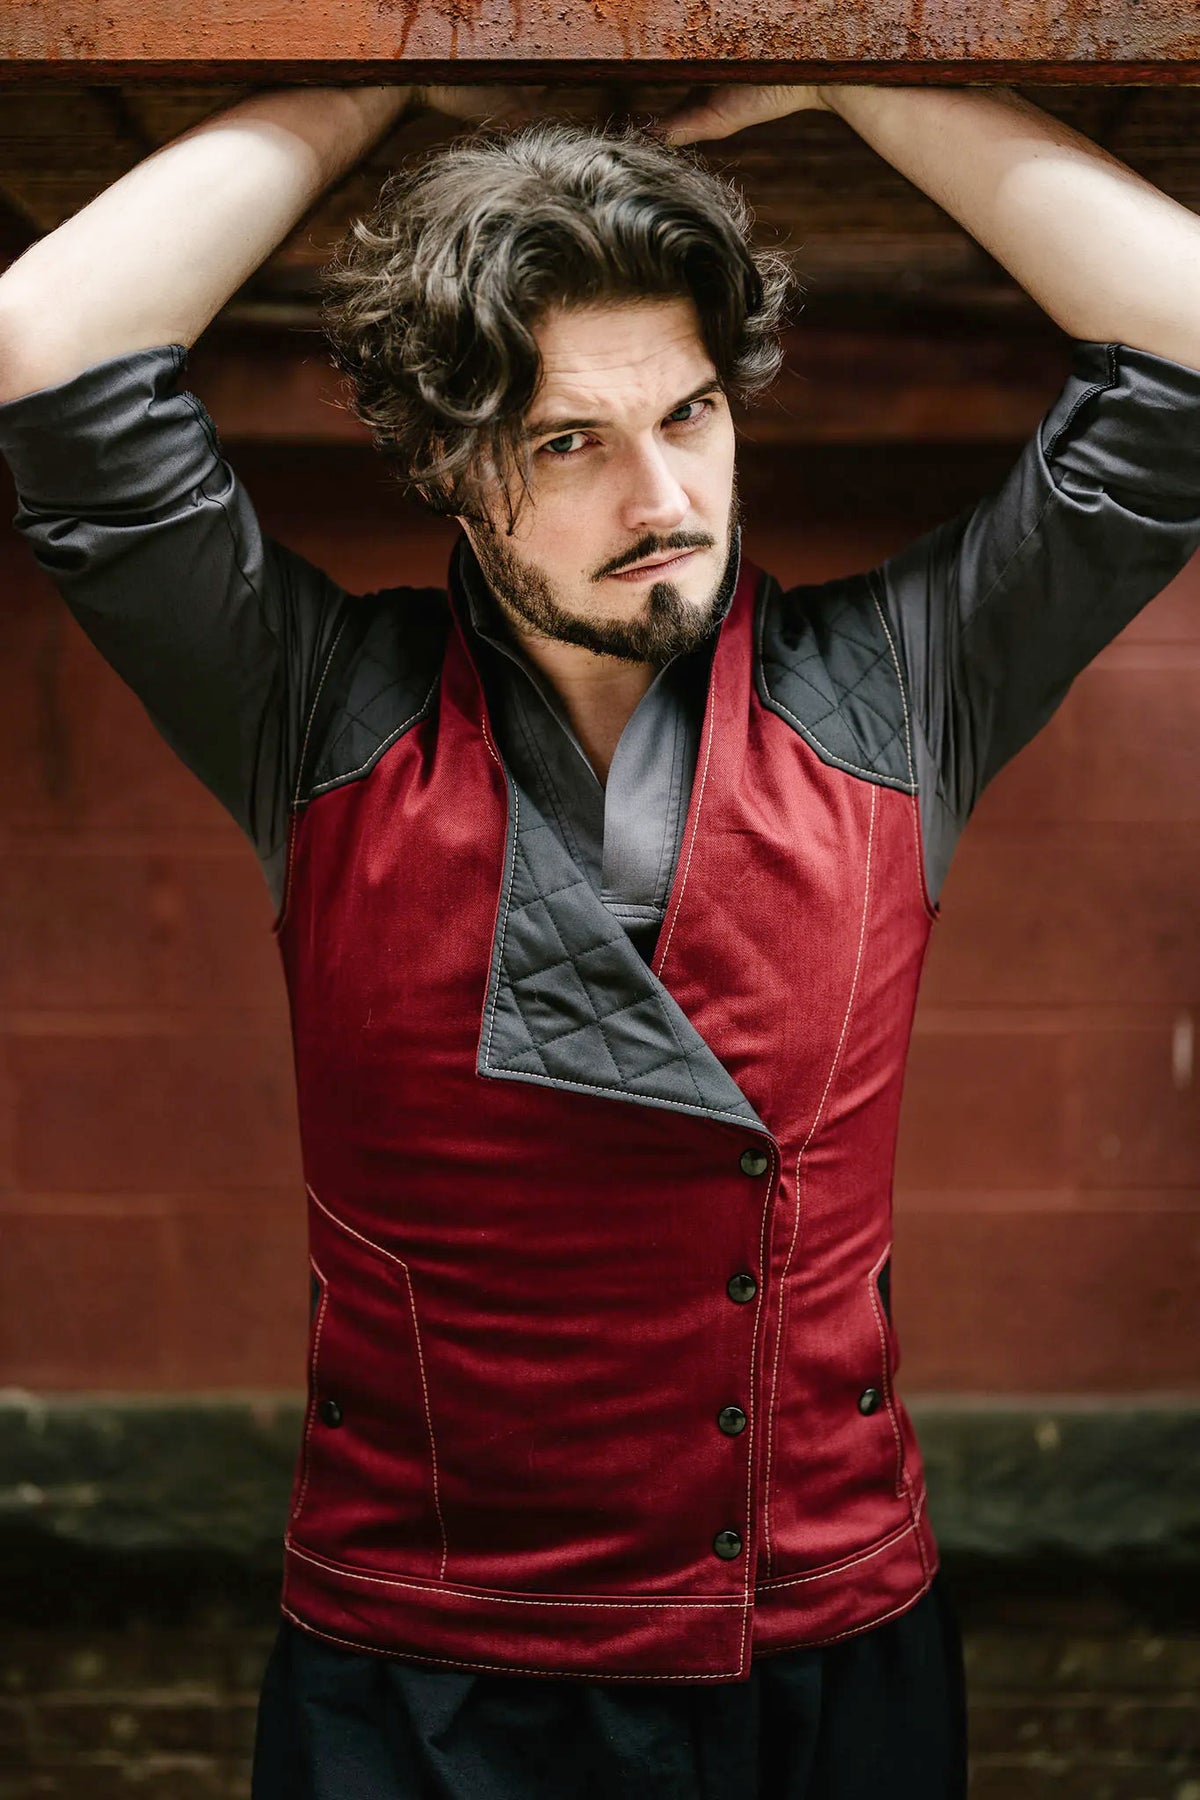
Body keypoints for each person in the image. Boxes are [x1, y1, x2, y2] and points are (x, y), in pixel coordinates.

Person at [0, 76, 1197, 1800]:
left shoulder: (901, 690)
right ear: (451, 470)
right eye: (570, 440)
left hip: (813, 1644)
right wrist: (385, 65)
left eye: (691, 414)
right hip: (420, 1666)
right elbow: (46, 344)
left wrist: (853, 66)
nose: (664, 497)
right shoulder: (316, 709)